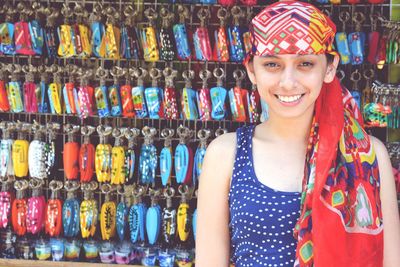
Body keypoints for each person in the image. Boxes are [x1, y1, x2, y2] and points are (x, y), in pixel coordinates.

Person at [195, 1, 400, 266]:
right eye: (272, 64)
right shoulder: (225, 155)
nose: (288, 82)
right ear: (251, 70)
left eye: (305, 63)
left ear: (329, 68)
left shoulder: (369, 156)